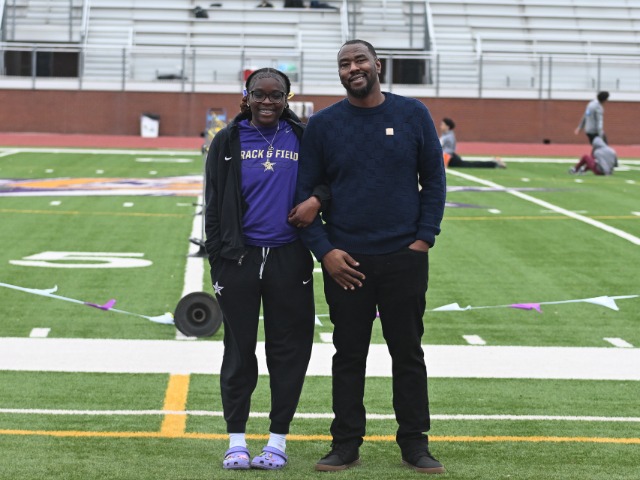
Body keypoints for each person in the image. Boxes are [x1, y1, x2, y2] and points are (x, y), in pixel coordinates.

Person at [295, 39, 446, 474]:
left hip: (403, 257)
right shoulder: (323, 124)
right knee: (348, 355)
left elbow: (434, 180)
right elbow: (305, 197)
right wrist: (325, 252)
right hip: (346, 261)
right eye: (344, 64)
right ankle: (345, 443)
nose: (353, 68)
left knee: (408, 353)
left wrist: (423, 240)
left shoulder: (412, 113)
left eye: (360, 60)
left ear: (378, 65)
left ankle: (415, 443)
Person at [204, 67, 328, 471]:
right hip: (238, 258)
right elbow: (213, 202)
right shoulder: (227, 140)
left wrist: (317, 200)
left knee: (288, 351)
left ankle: (277, 441)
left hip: (290, 256)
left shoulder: (304, 137)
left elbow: (330, 180)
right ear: (247, 96)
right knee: (239, 350)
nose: (268, 101)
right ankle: (236, 441)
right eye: (260, 94)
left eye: (276, 95)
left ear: (287, 98)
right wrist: (218, 258)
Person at [439, 117, 506, 168]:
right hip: (449, 157)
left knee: (471, 165)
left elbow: (449, 150)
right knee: (470, 164)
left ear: (447, 126)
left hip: (451, 159)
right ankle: (493, 161)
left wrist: (445, 161)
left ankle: (494, 163)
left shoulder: (449, 137)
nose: (440, 126)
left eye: (442, 124)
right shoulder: (445, 135)